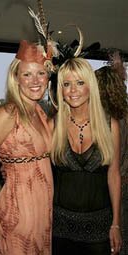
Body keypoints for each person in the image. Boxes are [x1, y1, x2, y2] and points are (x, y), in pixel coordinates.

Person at [0, 40, 55, 255]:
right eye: (27, 74)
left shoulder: (39, 112)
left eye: (40, 73)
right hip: (16, 218)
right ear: (16, 79)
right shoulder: (8, 113)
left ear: (48, 76)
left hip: (42, 215)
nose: (35, 81)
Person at [50, 57, 122, 255]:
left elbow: (114, 175)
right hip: (60, 227)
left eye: (80, 83)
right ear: (60, 90)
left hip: (99, 227)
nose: (73, 90)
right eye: (67, 84)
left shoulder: (110, 125)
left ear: (90, 86)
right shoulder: (53, 126)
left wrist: (116, 223)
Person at [95, 61, 128, 255]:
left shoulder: (103, 121)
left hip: (109, 186)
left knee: (111, 239)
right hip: (123, 182)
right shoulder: (124, 114)